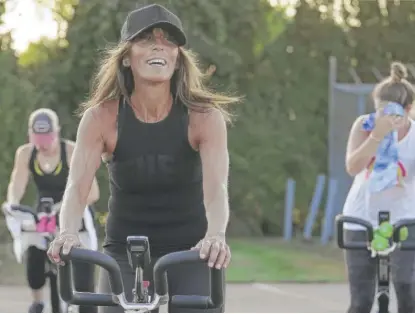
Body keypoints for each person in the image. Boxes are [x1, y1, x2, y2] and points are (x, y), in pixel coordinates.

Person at [47, 3, 239, 313]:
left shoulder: (204, 118)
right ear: (126, 57)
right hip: (124, 249)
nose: (158, 46)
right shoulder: (101, 119)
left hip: (189, 249)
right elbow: (77, 186)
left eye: (167, 41)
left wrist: (215, 235)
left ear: (177, 59)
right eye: (146, 39)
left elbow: (217, 190)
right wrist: (68, 231)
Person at [4, 108, 100, 313]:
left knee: (83, 274)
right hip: (44, 214)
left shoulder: (71, 151)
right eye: (38, 138)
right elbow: (17, 184)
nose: (43, 144)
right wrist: (12, 205)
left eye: (47, 137)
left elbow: (92, 193)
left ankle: (84, 303)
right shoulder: (26, 153)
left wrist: (64, 208)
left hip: (75, 212)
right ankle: (38, 301)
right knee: (33, 254)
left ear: (57, 132)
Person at [343, 61, 415, 313]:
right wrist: (377, 136)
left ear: (408, 109)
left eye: (393, 112)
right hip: (362, 215)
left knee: (408, 289)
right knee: (361, 299)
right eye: (380, 111)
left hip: (404, 218)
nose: (386, 118)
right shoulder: (365, 125)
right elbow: (353, 166)